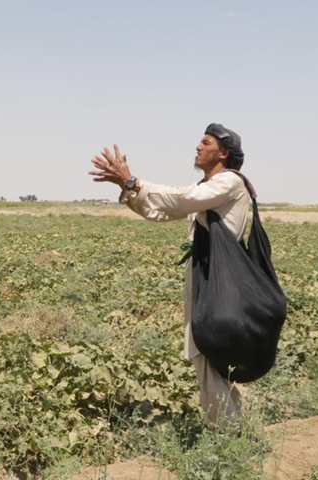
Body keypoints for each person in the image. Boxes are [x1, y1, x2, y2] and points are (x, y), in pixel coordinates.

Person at [88, 123, 249, 424]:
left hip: (219, 281)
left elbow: (179, 199)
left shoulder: (229, 183)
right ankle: (230, 424)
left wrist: (133, 181)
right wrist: (127, 186)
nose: (198, 147)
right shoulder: (205, 189)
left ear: (224, 153)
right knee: (206, 354)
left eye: (206, 142)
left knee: (210, 351)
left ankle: (229, 432)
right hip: (205, 278)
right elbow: (159, 211)